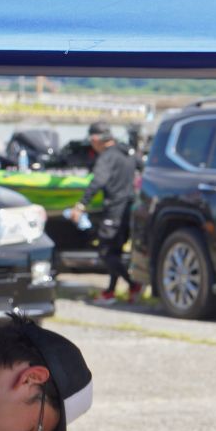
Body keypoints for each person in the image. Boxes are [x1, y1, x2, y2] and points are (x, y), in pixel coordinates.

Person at [70, 120, 141, 303]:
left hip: (114, 210)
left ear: (96, 139)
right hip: (129, 209)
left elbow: (98, 182)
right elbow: (143, 169)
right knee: (116, 252)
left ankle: (133, 284)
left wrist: (81, 205)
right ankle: (110, 292)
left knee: (106, 252)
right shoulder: (128, 151)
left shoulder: (107, 157)